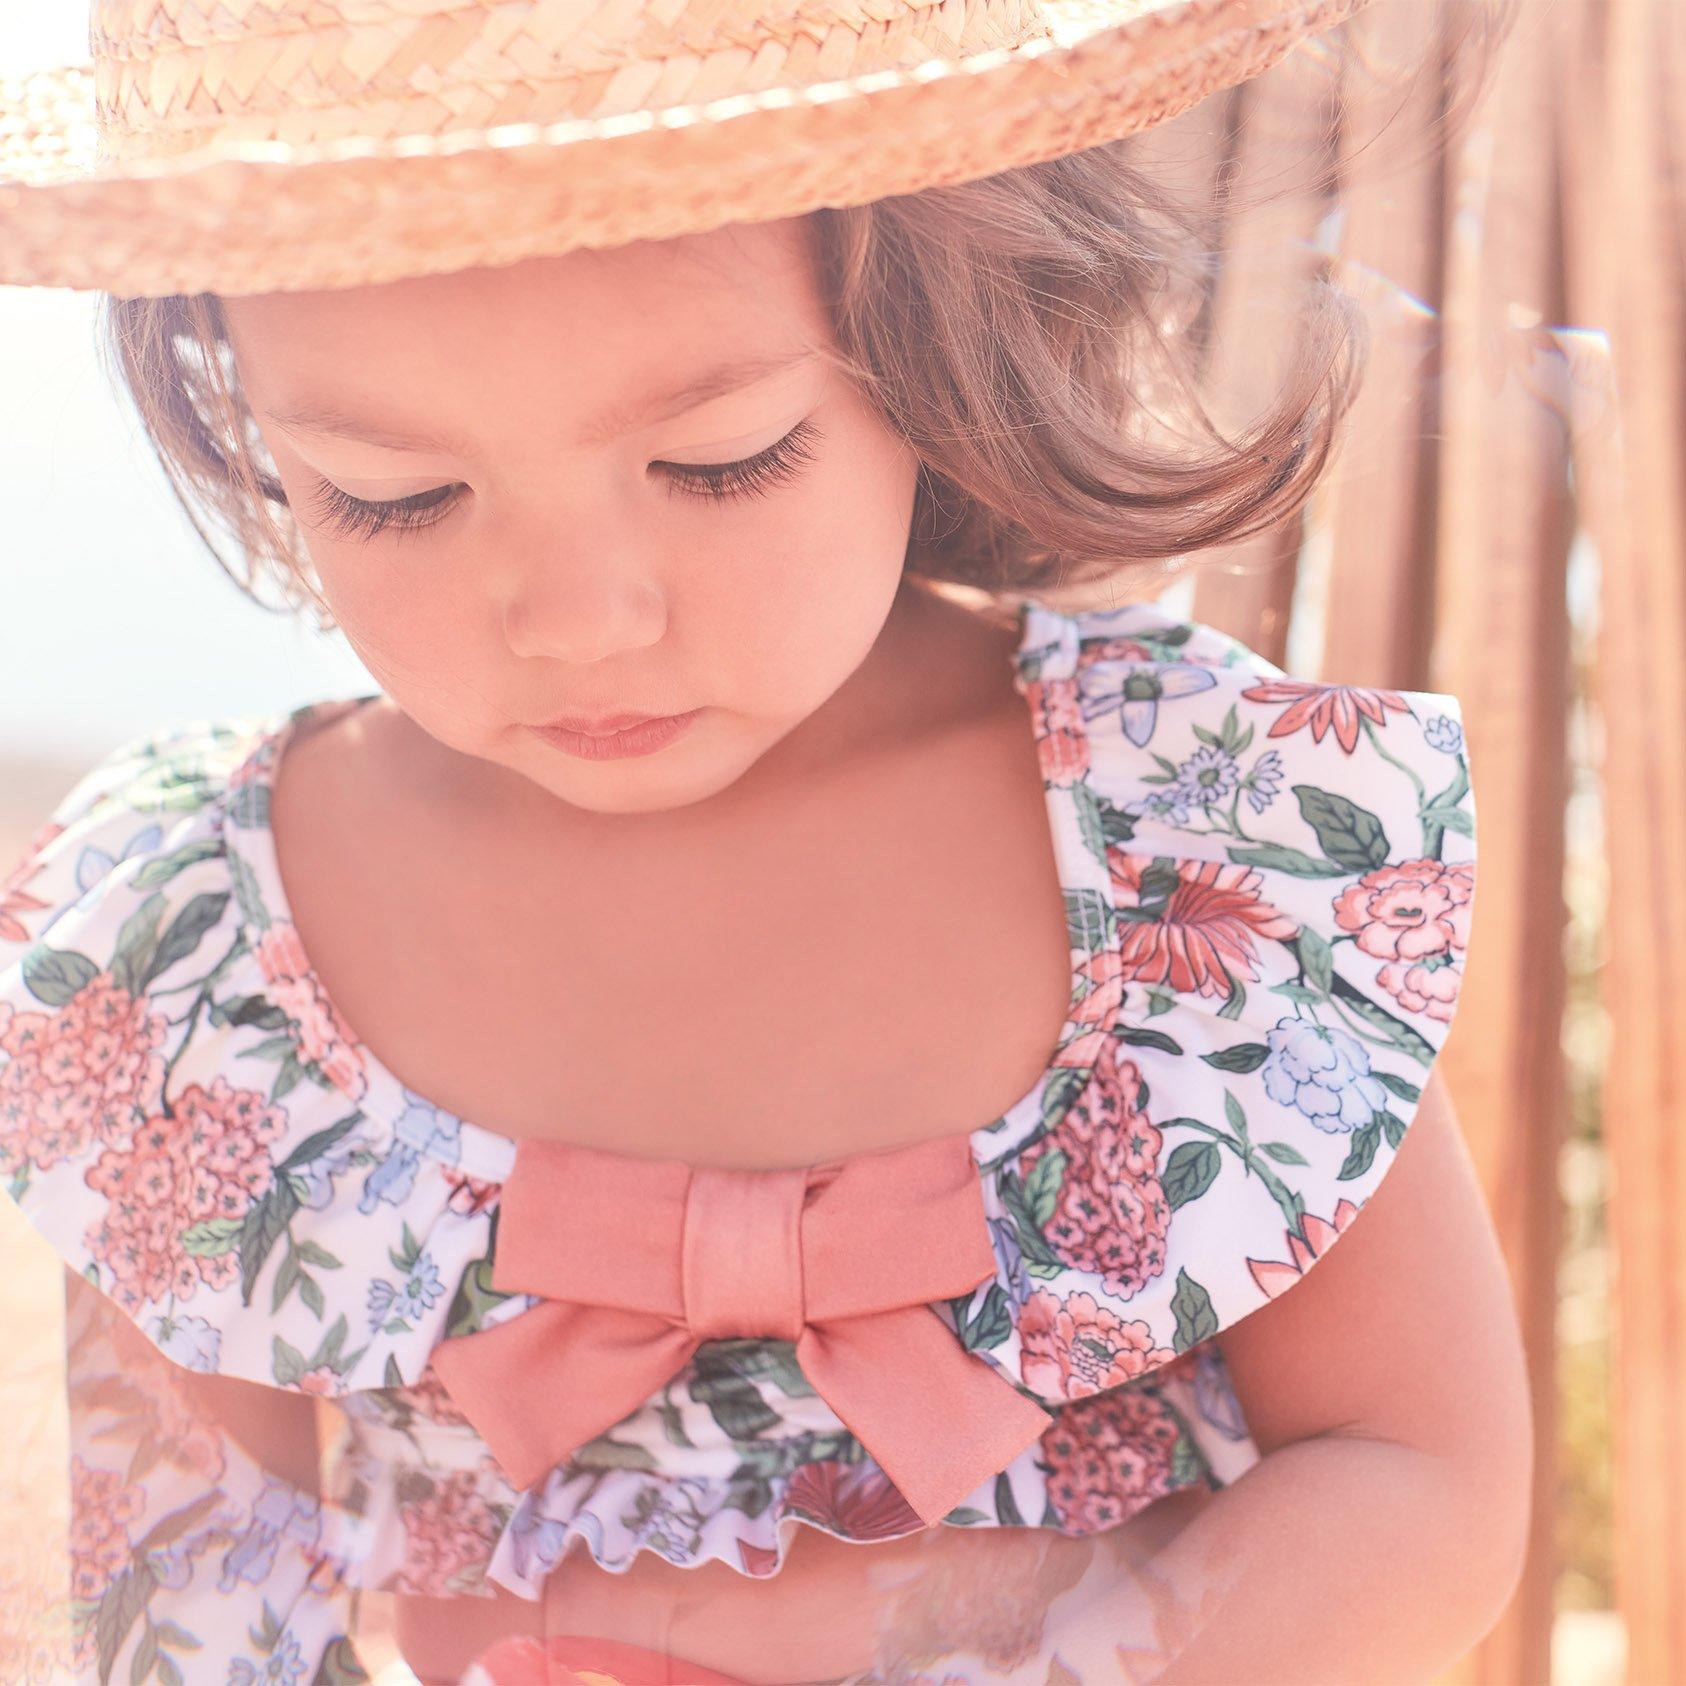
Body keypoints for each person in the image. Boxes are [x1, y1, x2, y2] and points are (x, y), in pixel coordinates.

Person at [0, 0, 1530, 1680]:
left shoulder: (1206, 834)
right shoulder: (190, 944)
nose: (579, 619)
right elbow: (185, 1607)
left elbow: (1416, 1473)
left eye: (719, 460)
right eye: (393, 493)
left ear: (930, 348)